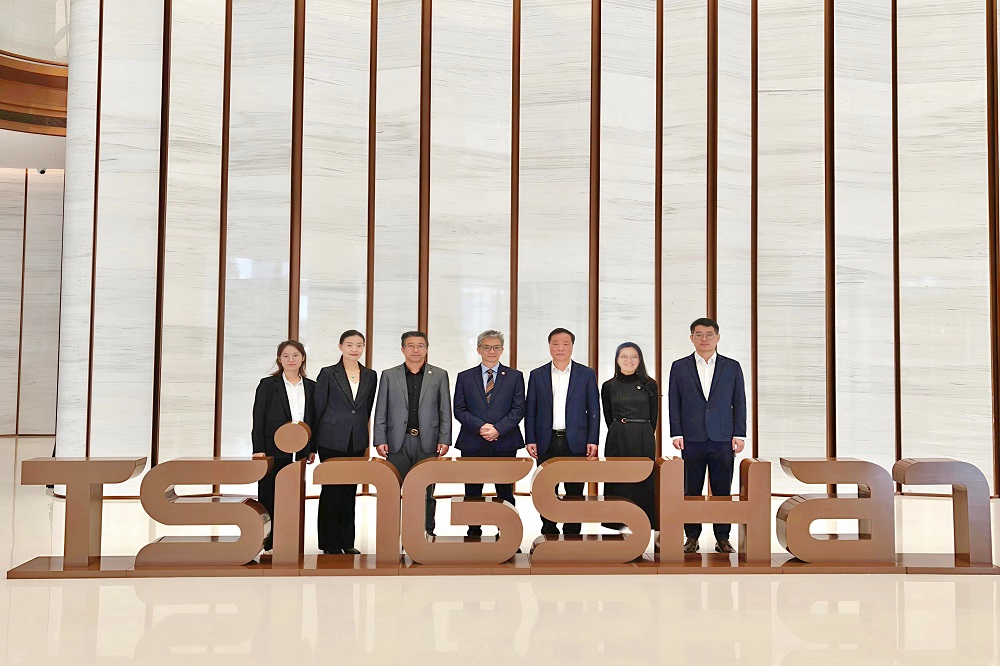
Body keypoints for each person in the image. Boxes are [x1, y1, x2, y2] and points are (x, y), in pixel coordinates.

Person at [668, 317, 747, 554]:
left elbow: (739, 401)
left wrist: (739, 433)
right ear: (691, 338)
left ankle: (723, 538)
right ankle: (691, 537)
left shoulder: (732, 367)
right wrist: (676, 432)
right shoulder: (679, 366)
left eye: (709, 334)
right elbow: (674, 401)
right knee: (691, 489)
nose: (704, 339)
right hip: (691, 438)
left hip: (723, 438)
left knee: (722, 490)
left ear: (718, 338)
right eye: (699, 334)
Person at [373, 331, 452, 536]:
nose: (415, 350)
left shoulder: (439, 374)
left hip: (428, 442)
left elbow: (445, 409)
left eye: (420, 345)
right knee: (393, 490)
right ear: (403, 349)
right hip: (396, 442)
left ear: (426, 349)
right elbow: (381, 409)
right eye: (410, 345)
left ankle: (426, 532)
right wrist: (380, 439)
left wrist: (444, 439)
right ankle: (393, 534)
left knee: (427, 492)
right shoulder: (389, 375)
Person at [524, 327, 601, 536]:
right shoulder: (537, 375)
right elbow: (531, 410)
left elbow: (594, 410)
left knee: (574, 490)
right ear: (549, 346)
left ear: (572, 347)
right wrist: (530, 439)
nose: (560, 348)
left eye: (565, 344)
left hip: (575, 440)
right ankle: (549, 531)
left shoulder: (586, 374)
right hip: (546, 440)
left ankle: (572, 533)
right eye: (555, 344)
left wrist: (593, 440)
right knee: (546, 489)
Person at [453, 329, 526, 538]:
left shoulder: (515, 376)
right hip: (473, 442)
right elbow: (459, 409)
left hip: (505, 442)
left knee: (505, 491)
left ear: (502, 350)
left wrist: (498, 429)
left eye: (496, 347)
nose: (491, 351)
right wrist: (481, 427)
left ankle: (507, 535)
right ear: (479, 350)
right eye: (487, 347)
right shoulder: (465, 377)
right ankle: (473, 533)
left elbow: (519, 409)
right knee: (472, 491)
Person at [312, 330, 377, 555]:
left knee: (350, 491)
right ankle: (329, 543)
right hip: (330, 439)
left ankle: (347, 541)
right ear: (340, 346)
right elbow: (318, 409)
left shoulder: (370, 375)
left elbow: (366, 409)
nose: (354, 349)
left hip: (356, 440)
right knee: (331, 491)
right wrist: (311, 446)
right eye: (349, 345)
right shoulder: (328, 373)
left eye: (359, 345)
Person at [251, 340, 316, 554]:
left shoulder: (311, 386)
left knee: (292, 496)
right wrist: (258, 448)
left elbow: (314, 419)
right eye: (286, 356)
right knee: (269, 494)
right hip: (272, 448)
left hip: (300, 449)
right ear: (279, 359)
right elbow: (258, 418)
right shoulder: (268, 385)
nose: (291, 360)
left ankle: (288, 540)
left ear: (302, 358)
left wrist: (312, 448)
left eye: (295, 355)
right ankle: (268, 542)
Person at [600, 342, 658, 529]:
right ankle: (617, 522)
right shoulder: (608, 386)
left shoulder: (649, 384)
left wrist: (643, 431)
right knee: (617, 477)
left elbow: (654, 417)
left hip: (643, 435)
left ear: (640, 360)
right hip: (617, 436)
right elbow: (608, 416)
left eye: (634, 356)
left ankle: (643, 523)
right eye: (624, 356)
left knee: (643, 479)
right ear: (617, 360)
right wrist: (620, 428)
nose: (629, 360)